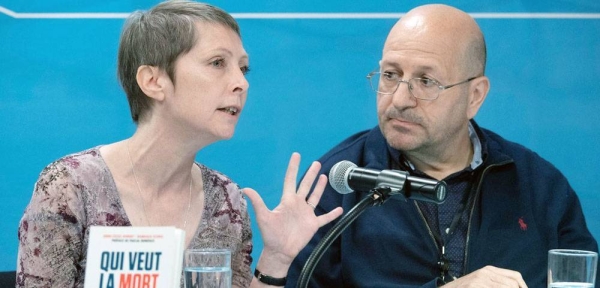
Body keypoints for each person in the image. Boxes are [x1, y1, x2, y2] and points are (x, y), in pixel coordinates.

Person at [15, 1, 342, 287]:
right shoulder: (70, 186)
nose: (241, 83)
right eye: (218, 63)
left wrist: (277, 258)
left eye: (243, 68)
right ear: (153, 80)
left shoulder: (226, 201)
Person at [286, 4, 599, 288]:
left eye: (426, 82)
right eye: (390, 75)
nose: (400, 99)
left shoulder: (539, 186)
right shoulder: (338, 182)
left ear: (474, 96)